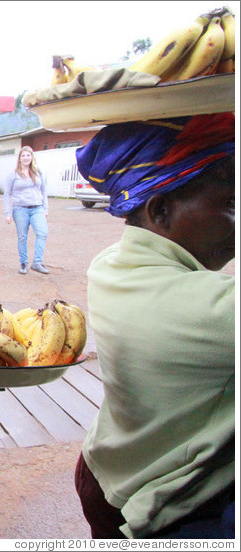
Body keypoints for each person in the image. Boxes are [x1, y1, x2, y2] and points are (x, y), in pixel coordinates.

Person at [72, 112, 235, 539]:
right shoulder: (215, 310)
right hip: (161, 502)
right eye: (230, 204)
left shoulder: (108, 265)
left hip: (103, 470)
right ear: (160, 210)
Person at [2, 146, 50, 274]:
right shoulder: (13, 174)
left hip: (37, 208)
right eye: (23, 155)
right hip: (20, 209)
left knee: (42, 233)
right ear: (19, 158)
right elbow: (7, 194)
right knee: (23, 237)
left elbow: (44, 191)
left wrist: (45, 208)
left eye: (28, 155)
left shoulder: (38, 171)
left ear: (32, 157)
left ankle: (37, 262)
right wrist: (7, 213)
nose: (26, 158)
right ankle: (23, 263)